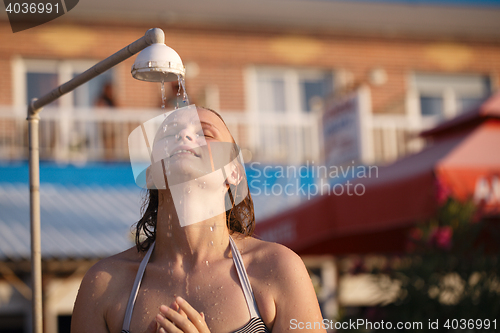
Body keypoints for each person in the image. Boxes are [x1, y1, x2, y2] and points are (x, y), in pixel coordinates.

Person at [71, 106, 326, 333]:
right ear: (151, 173)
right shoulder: (104, 284)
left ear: (234, 171)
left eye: (205, 133)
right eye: (169, 135)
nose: (184, 136)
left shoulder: (277, 269)